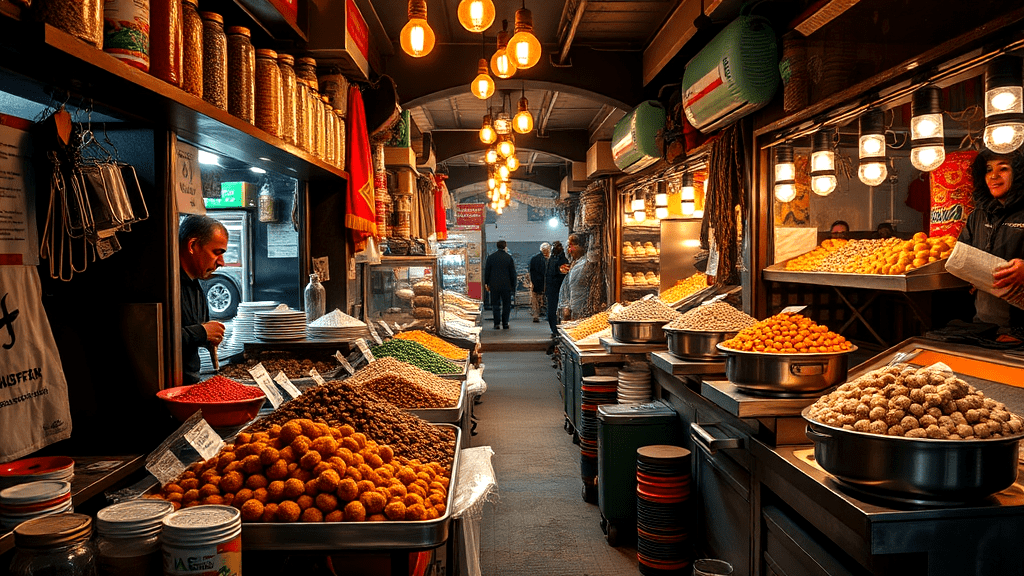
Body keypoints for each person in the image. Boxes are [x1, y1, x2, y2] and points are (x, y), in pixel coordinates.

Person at [958, 149, 1024, 336]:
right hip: (985, 324)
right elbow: (962, 257)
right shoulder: (977, 216)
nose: (993, 176)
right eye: (988, 170)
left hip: (1020, 330)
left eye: (1003, 169)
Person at [179, 214, 228, 384]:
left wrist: (207, 338)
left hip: (190, 384)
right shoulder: (166, 285)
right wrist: (202, 333)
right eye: (217, 253)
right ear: (192, 245)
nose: (221, 262)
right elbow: (153, 341)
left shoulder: (196, 285)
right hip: (166, 389)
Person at [484, 239, 517, 329]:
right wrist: (513, 285)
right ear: (505, 246)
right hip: (506, 285)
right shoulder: (508, 258)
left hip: (494, 285)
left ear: (497, 246)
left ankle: (496, 324)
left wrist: (486, 283)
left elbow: (487, 271)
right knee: (507, 304)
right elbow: (512, 273)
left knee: (495, 304)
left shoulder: (491, 257)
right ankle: (505, 323)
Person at [558, 233, 588, 321]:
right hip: (572, 307)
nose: (569, 250)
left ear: (580, 247)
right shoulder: (575, 264)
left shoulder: (583, 265)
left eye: (571, 246)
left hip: (579, 308)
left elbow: (575, 288)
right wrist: (565, 307)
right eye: (568, 247)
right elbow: (567, 289)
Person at [545, 241, 569, 337]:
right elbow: (565, 276)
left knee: (552, 311)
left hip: (552, 289)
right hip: (559, 289)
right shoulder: (563, 260)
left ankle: (555, 330)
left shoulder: (551, 260)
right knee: (559, 311)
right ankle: (558, 330)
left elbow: (547, 275)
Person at [529, 243, 551, 323]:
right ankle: (549, 314)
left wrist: (533, 282)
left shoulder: (534, 259)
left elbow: (531, 271)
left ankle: (536, 315)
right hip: (545, 283)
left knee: (535, 301)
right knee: (547, 300)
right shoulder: (549, 260)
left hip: (536, 283)